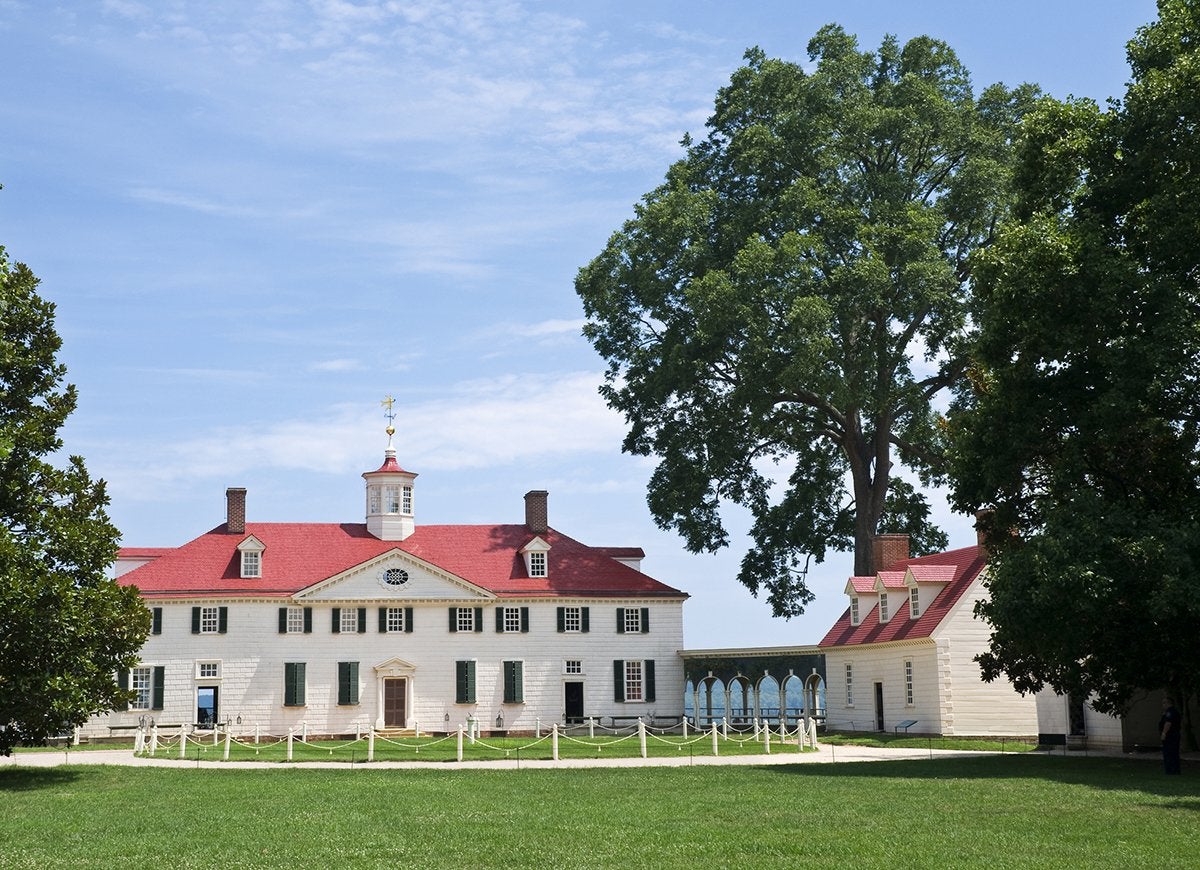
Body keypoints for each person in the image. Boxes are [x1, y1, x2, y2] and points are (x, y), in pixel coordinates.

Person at [1159, 697, 1182, 775]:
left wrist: (1164, 733)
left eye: (1164, 703)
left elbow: (1168, 723)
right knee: (1173, 753)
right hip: (1173, 735)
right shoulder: (1170, 712)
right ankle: (1174, 770)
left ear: (1168, 703)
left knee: (1169, 753)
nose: (1163, 705)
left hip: (1171, 735)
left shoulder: (1170, 712)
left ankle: (1171, 770)